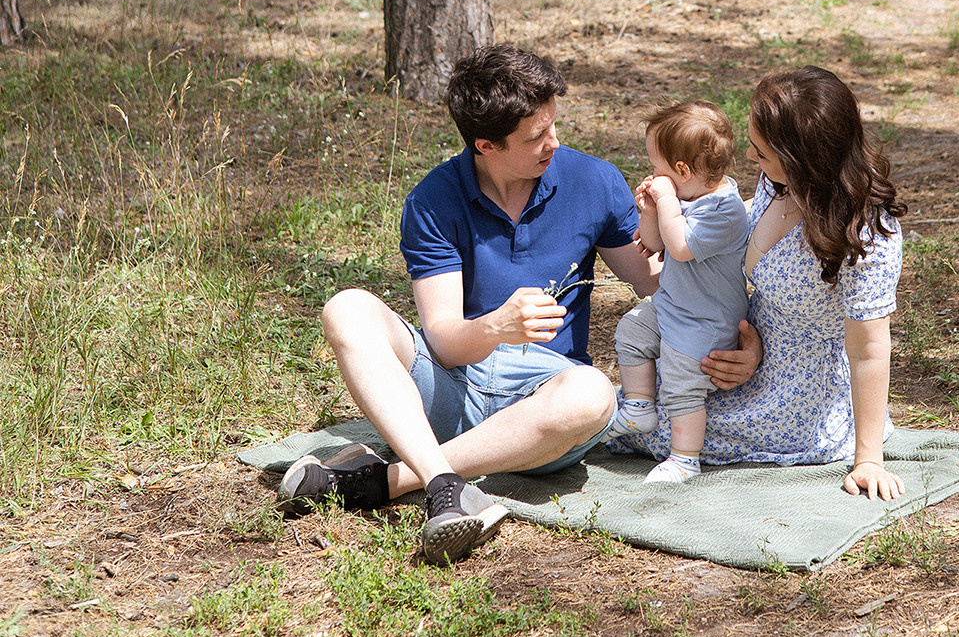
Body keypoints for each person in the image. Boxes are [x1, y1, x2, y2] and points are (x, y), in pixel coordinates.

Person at [277, 46, 671, 563]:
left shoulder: (593, 181)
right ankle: (445, 484)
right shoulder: (432, 200)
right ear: (485, 145)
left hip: (545, 410)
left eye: (554, 125)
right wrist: (496, 327)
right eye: (536, 136)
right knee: (346, 307)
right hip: (455, 385)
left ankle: (394, 480)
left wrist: (678, 226)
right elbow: (443, 340)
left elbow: (652, 284)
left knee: (593, 392)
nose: (554, 142)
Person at [610, 65, 908, 501]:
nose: (750, 159)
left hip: (798, 392)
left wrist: (869, 459)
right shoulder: (778, 184)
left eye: (763, 153)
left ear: (804, 159)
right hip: (735, 346)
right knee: (643, 402)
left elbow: (869, 350)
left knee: (666, 424)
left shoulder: (865, 235)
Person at [612, 102, 750, 485]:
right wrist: (649, 211)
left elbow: (681, 246)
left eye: (657, 167)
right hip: (672, 304)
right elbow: (655, 243)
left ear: (683, 171)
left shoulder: (724, 210)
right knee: (631, 330)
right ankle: (639, 406)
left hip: (704, 321)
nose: (653, 174)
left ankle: (685, 459)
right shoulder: (687, 197)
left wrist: (667, 201)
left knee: (681, 384)